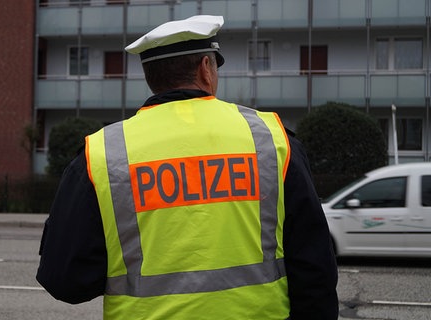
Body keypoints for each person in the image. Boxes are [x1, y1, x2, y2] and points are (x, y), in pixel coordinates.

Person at [37, 15, 339, 320]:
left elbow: (65, 282)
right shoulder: (271, 139)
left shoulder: (102, 154)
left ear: (151, 77)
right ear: (206, 70)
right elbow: (315, 273)